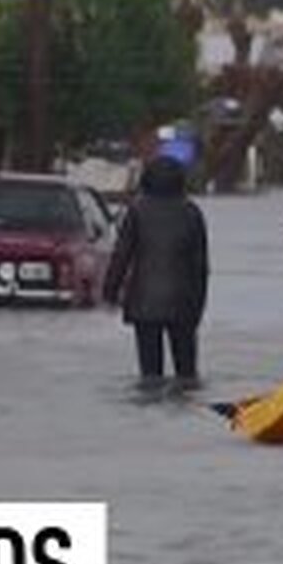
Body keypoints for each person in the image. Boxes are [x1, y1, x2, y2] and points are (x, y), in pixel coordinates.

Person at [103, 156, 210, 389]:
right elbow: (201, 267)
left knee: (150, 377)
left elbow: (121, 255)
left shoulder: (137, 211)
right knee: (187, 374)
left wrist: (109, 293)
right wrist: (199, 306)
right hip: (184, 303)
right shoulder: (192, 213)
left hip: (144, 303)